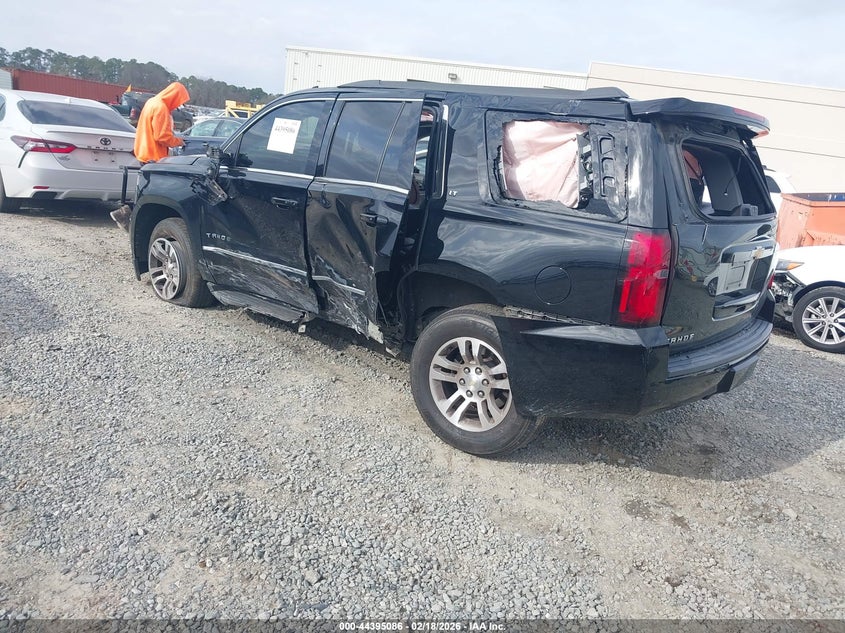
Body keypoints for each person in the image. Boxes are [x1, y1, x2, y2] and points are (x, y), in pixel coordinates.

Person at [110, 82, 190, 230]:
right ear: (174, 96)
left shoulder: (152, 102)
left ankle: (125, 215)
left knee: (145, 189)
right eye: (179, 101)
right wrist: (179, 141)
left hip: (144, 151)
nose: (178, 105)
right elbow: (162, 136)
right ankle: (128, 217)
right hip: (154, 156)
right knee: (155, 193)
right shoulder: (161, 108)